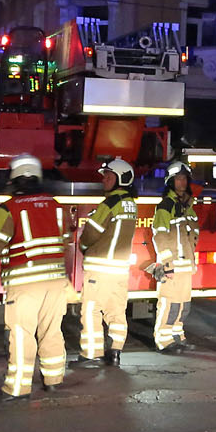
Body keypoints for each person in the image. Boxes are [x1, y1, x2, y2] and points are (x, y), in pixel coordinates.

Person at [0, 155, 70, 404]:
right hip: (56, 282)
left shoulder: (9, 209)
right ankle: (53, 381)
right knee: (51, 330)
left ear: (14, 179)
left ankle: (17, 389)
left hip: (25, 283)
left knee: (22, 333)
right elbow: (65, 238)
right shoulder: (57, 206)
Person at [76, 157, 139, 367]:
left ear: (120, 179)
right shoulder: (131, 204)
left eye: (108, 176)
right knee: (116, 312)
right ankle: (114, 352)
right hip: (120, 271)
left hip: (100, 270)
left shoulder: (109, 204)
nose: (104, 180)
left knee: (91, 310)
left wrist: (83, 247)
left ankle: (91, 354)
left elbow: (90, 233)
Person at [146, 161, 199, 353]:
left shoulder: (187, 206)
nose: (182, 182)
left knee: (183, 305)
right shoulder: (165, 206)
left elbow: (192, 234)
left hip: (186, 265)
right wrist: (167, 263)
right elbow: (159, 234)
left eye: (184, 178)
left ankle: (178, 336)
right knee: (169, 303)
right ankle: (164, 339)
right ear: (170, 181)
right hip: (173, 266)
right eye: (178, 179)